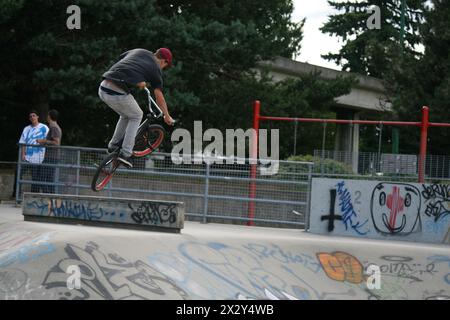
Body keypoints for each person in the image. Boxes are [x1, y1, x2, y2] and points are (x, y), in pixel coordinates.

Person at [98, 48, 175, 168]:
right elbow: (159, 97)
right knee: (137, 115)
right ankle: (125, 153)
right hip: (116, 91)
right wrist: (166, 115)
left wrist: (138, 80)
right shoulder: (156, 69)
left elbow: (123, 61)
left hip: (103, 88)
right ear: (164, 61)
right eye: (165, 66)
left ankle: (113, 146)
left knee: (125, 115)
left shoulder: (140, 51)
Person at [18, 110, 49, 193]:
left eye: (34, 115)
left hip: (39, 157)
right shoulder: (26, 129)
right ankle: (16, 193)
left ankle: (33, 194)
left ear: (37, 117)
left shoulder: (44, 127)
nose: (32, 117)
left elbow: (48, 140)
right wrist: (23, 154)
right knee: (18, 173)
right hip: (27, 157)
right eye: (30, 116)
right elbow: (23, 142)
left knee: (35, 177)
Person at [36, 109, 62, 194]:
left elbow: (56, 142)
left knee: (41, 177)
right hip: (51, 156)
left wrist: (43, 141)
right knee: (49, 178)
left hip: (51, 157)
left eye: (48, 115)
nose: (47, 117)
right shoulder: (53, 127)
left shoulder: (54, 127)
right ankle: (51, 196)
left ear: (50, 117)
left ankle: (49, 196)